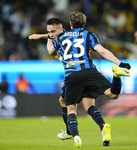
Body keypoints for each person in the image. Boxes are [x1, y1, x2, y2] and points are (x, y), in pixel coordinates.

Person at [47, 11, 131, 148]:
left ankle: (76, 137)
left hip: (72, 75)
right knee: (109, 95)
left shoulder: (61, 37)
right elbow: (102, 51)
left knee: (71, 108)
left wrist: (49, 38)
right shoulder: (89, 35)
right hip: (89, 72)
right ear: (84, 24)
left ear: (70, 24)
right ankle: (116, 76)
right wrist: (119, 63)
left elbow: (51, 51)